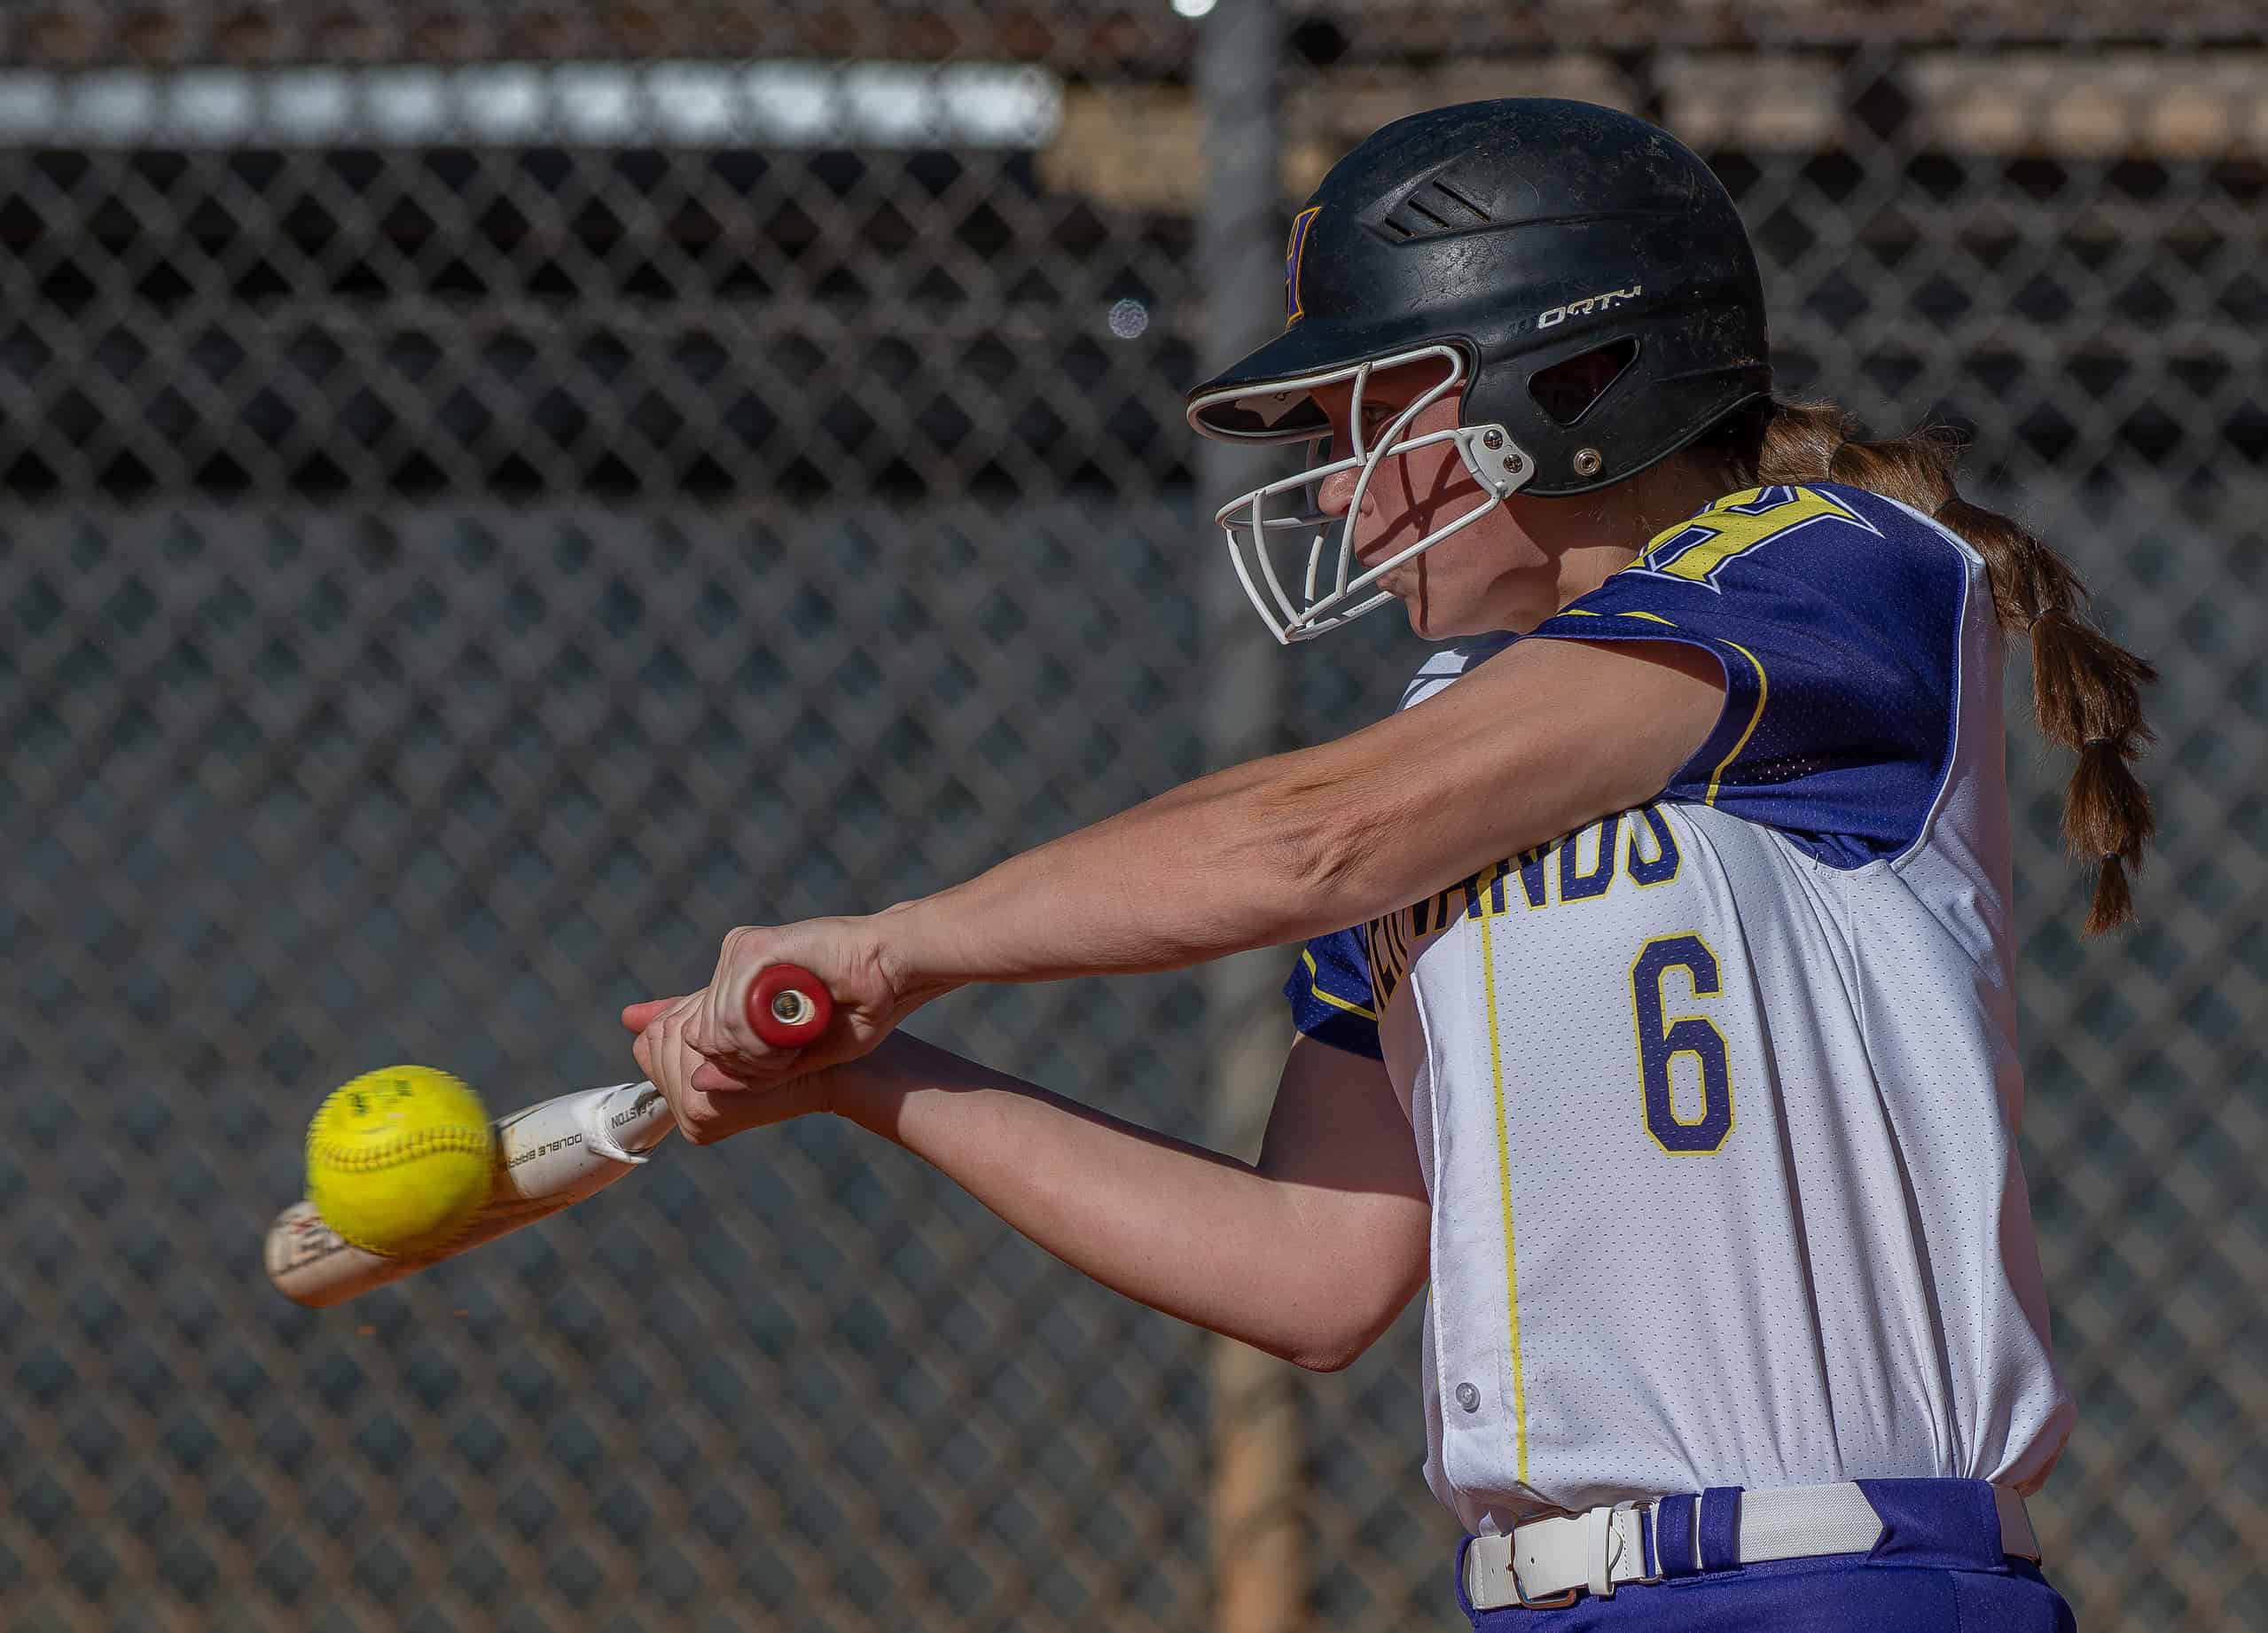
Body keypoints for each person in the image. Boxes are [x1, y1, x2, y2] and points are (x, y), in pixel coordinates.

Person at [622, 99, 2153, 1630]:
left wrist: (893, 945)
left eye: (1375, 414)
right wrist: (869, 1071)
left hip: (1830, 1582)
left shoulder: (1824, 569)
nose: (1342, 482)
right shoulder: (1442, 744)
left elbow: (1311, 838)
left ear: (1571, 382)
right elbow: (1311, 1268)